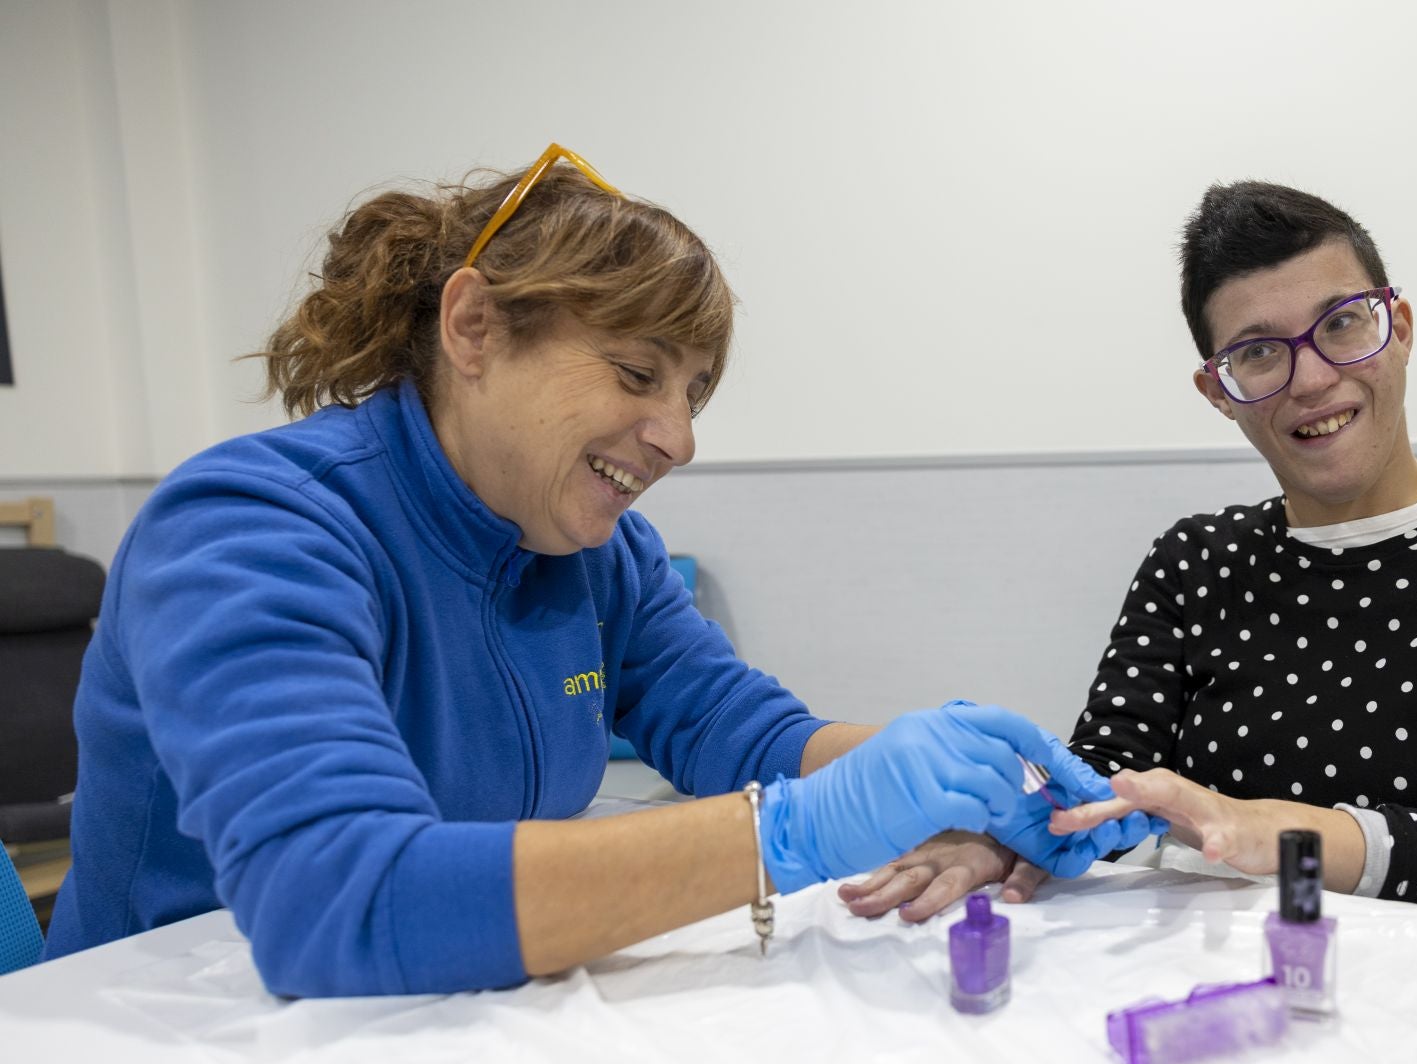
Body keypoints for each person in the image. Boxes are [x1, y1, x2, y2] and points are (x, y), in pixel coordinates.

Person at [40, 144, 1150, 996]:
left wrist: (977, 781)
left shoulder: (593, 553)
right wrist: (787, 834)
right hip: (185, 1039)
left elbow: (748, 736)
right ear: (474, 328)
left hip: (423, 1018)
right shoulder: (252, 526)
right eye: (637, 373)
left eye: (696, 394)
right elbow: (342, 903)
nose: (677, 437)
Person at [843, 181, 1417, 921]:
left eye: (1343, 323)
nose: (1313, 377)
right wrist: (1007, 830)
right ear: (1217, 391)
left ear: (1401, 328)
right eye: (1258, 353)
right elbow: (1108, 776)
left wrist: (1279, 835)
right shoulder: (1196, 560)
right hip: (1203, 978)